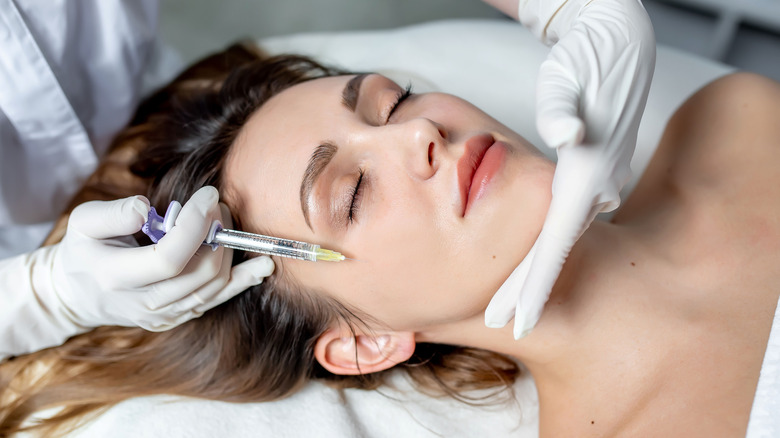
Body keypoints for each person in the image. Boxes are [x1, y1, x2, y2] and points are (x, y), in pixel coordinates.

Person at [1, 37, 778, 436]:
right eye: (353, 193)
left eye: (393, 101)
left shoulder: (734, 122)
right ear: (365, 344)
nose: (421, 137)